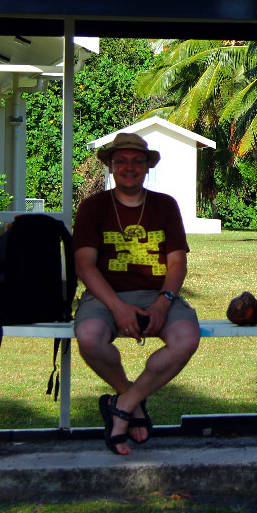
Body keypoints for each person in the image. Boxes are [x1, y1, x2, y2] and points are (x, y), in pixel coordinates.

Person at [72, 132, 200, 455]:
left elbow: (177, 264)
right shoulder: (92, 207)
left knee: (187, 337)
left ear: (147, 167)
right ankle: (133, 401)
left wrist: (163, 303)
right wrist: (116, 307)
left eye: (136, 161)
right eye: (122, 162)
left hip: (158, 294)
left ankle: (124, 404)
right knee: (88, 335)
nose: (129, 168)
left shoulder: (165, 205)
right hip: (105, 296)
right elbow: (85, 266)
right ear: (111, 167)